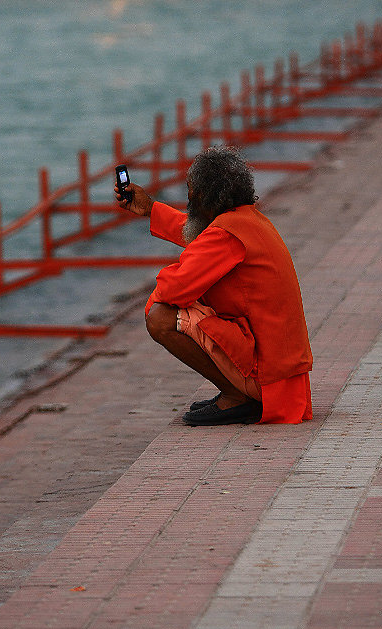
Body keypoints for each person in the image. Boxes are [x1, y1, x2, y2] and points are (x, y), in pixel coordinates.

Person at [114, 146, 312, 425]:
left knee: (160, 317)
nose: (188, 198)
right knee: (187, 300)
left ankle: (238, 396)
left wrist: (178, 279)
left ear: (206, 196)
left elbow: (173, 289)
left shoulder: (226, 234)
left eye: (190, 190)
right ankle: (237, 392)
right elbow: (200, 235)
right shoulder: (247, 220)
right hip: (282, 373)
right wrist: (151, 210)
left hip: (269, 378)